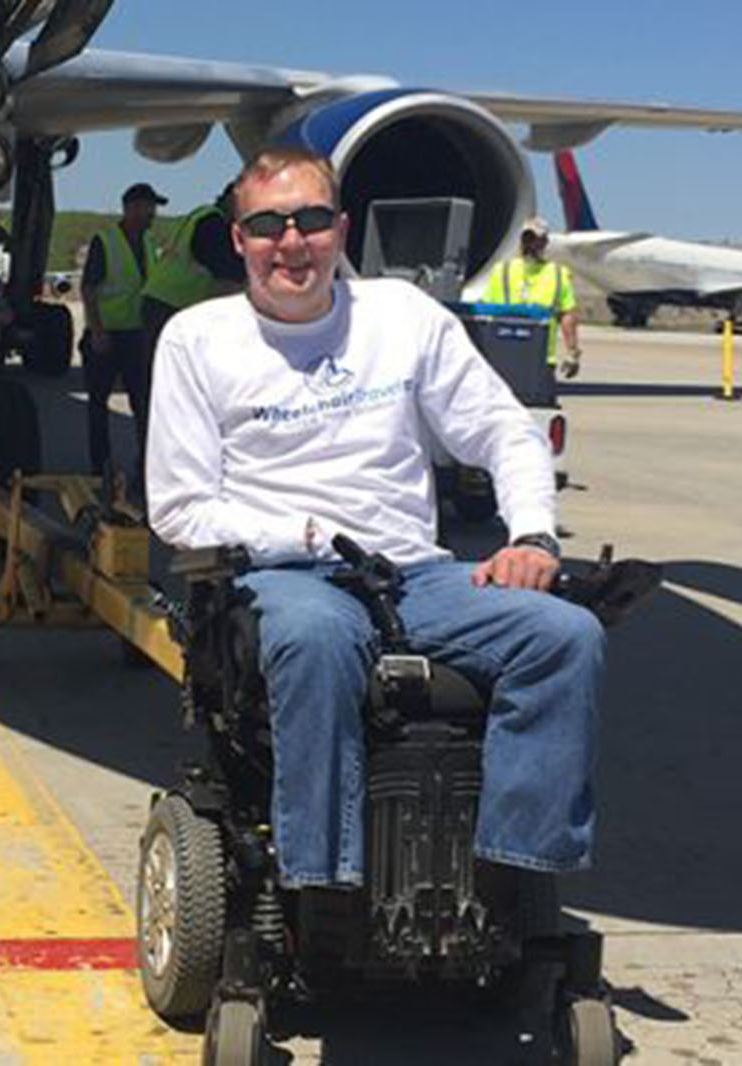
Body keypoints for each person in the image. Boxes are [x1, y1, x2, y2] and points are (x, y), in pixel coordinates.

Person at [148, 148, 605, 889]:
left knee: (565, 637)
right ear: (239, 240)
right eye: (266, 225)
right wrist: (297, 535)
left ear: (342, 228)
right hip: (286, 576)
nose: (291, 242)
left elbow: (504, 430)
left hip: (412, 572)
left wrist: (531, 535)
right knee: (316, 637)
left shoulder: (402, 316)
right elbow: (179, 508)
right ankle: (324, 882)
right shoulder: (198, 340)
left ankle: (509, 875)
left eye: (312, 220)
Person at [80, 181, 164, 488]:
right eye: (149, 207)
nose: (153, 213)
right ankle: (99, 467)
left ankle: (145, 468)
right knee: (98, 405)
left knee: (143, 405)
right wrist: (97, 330)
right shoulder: (106, 241)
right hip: (108, 334)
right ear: (131, 208)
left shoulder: (150, 243)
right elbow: (88, 288)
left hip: (136, 336)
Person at [141, 181, 246, 360]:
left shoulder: (201, 215)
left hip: (162, 300)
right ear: (233, 200)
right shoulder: (213, 224)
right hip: (172, 304)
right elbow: (226, 271)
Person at [483, 216, 583, 379]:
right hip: (503, 355)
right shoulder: (501, 271)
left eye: (534, 239)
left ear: (545, 242)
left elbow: (567, 315)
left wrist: (573, 352)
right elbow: (484, 313)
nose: (530, 244)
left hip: (540, 359)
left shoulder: (558, 274)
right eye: (527, 238)